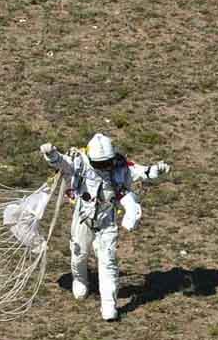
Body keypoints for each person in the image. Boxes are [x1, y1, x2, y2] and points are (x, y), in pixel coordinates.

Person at [40, 134, 171, 321]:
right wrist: (51, 154)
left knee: (108, 262)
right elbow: (64, 163)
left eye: (106, 163)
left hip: (107, 222)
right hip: (83, 218)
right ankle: (80, 279)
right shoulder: (81, 162)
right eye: (99, 164)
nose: (103, 167)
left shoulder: (120, 167)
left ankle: (109, 305)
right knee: (79, 253)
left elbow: (142, 172)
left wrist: (157, 170)